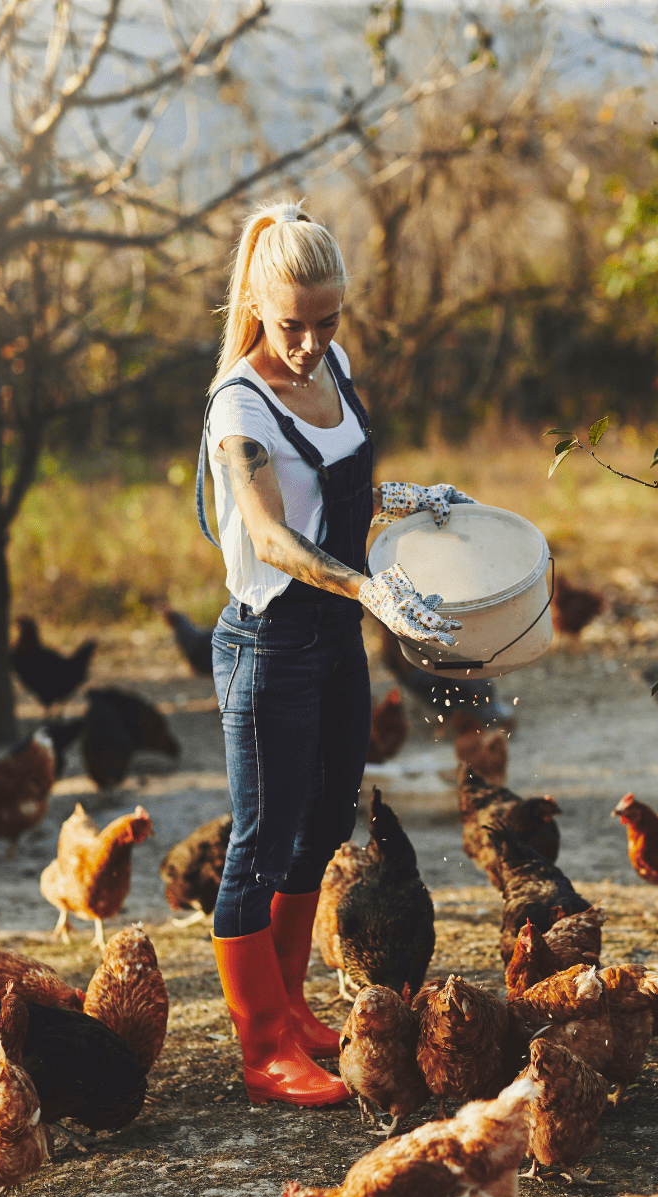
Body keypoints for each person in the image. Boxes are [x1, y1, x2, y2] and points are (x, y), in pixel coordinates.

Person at [197, 199, 470, 1109]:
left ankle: (293, 1007)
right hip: (270, 641)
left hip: (335, 636)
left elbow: (338, 490)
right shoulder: (239, 405)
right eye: (292, 325)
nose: (312, 344)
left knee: (322, 824)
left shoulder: (338, 367)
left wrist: (408, 497)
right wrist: (369, 589)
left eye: (327, 322)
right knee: (260, 843)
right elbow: (274, 536)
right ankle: (262, 1046)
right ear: (257, 308)